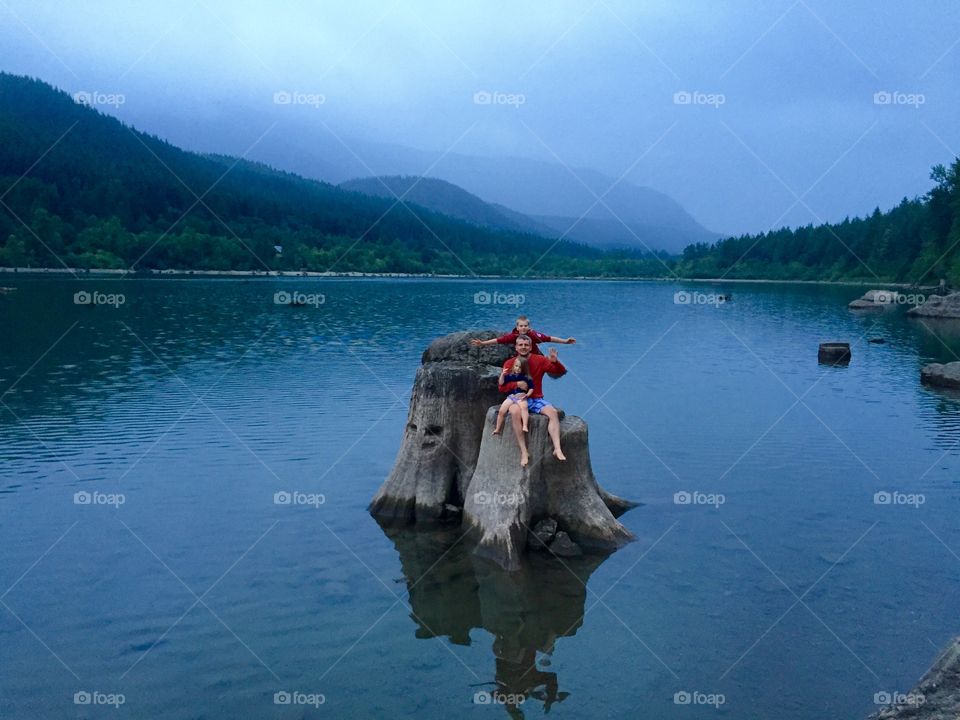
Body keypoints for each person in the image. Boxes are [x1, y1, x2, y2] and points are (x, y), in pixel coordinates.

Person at [499, 335, 567, 466]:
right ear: (516, 347)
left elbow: (560, 372)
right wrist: (516, 384)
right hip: (517, 399)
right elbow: (501, 387)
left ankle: (557, 449)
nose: (523, 347)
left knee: (553, 412)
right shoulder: (509, 363)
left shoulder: (540, 360)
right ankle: (524, 452)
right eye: (520, 345)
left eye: (526, 345)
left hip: (535, 398)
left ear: (531, 347)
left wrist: (555, 362)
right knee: (515, 413)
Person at [470, 315, 576, 356]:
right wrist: (483, 343)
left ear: (529, 327)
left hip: (536, 356)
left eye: (525, 326)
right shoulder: (513, 336)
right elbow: (498, 340)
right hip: (522, 357)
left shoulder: (533, 335)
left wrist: (565, 341)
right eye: (521, 326)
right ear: (517, 327)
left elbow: (549, 338)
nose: (523, 328)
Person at [493, 356, 534, 436]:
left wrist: (527, 395)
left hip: (521, 397)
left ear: (524, 369)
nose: (517, 368)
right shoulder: (510, 376)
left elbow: (531, 388)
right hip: (511, 397)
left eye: (520, 367)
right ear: (513, 366)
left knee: (524, 408)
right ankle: (497, 428)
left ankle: (525, 425)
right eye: (516, 366)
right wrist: (502, 375)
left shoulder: (526, 378)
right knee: (501, 411)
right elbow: (501, 383)